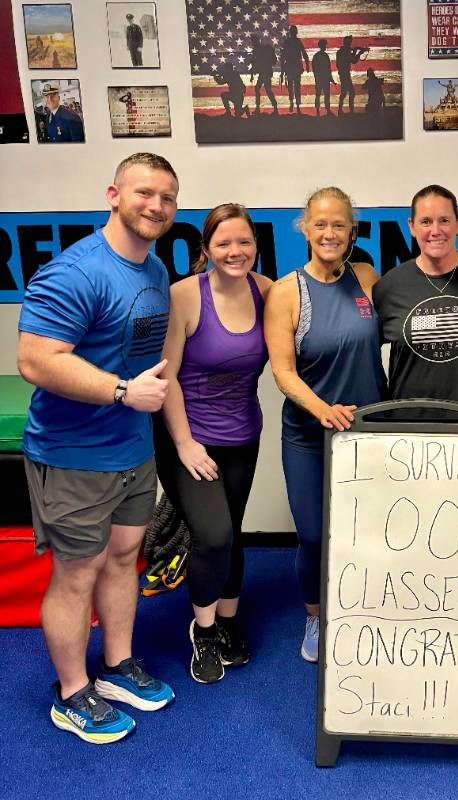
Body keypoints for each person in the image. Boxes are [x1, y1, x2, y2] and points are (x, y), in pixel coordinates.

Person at [17, 153, 179, 744]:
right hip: (73, 454)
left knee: (123, 557)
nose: (156, 206)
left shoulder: (154, 267)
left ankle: (116, 665)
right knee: (76, 574)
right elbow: (36, 360)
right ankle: (71, 692)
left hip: (131, 449)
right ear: (114, 195)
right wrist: (121, 392)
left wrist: (137, 402)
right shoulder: (76, 272)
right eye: (144, 193)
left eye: (167, 197)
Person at [265, 187, 385, 663]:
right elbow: (282, 371)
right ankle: (316, 616)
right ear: (305, 229)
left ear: (351, 231)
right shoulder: (286, 291)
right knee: (315, 535)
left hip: (369, 434)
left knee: (370, 531)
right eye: (320, 224)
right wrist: (322, 409)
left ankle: (365, 608)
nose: (330, 233)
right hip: (310, 436)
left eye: (339, 224)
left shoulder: (366, 277)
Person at [154, 204, 271, 684]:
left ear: (256, 246)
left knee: (232, 534)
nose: (235, 251)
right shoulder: (184, 295)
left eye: (244, 241)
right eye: (223, 243)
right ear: (206, 249)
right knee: (215, 535)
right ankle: (202, 631)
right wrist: (184, 443)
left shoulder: (268, 291)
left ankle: (226, 621)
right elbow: (167, 376)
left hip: (243, 436)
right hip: (188, 437)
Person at [372, 184, 458, 408]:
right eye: (426, 222)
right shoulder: (389, 287)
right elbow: (364, 355)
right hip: (406, 423)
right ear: (412, 226)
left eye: (444, 220)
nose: (435, 230)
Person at [280, 25, 309, 114]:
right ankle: (295, 104)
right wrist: (307, 64)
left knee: (293, 86)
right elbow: (304, 53)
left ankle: (294, 103)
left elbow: (283, 56)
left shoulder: (289, 42)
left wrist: (282, 70)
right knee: (295, 86)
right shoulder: (296, 41)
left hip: (292, 67)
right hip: (294, 67)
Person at [336, 36, 369, 115]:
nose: (350, 44)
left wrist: (355, 52)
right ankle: (348, 111)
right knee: (349, 92)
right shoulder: (344, 51)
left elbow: (350, 58)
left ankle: (342, 110)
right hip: (345, 74)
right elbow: (353, 60)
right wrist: (359, 53)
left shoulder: (341, 51)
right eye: (350, 42)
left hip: (344, 74)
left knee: (345, 92)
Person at [250, 37, 278, 115]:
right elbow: (255, 62)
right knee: (261, 89)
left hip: (265, 72)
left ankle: (274, 107)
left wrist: (253, 73)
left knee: (266, 90)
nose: (253, 44)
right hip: (264, 73)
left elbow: (256, 62)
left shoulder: (260, 50)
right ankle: (260, 108)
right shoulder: (258, 50)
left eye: (253, 42)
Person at [311, 39, 336, 116]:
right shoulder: (323, 56)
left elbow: (327, 68)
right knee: (323, 94)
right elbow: (327, 68)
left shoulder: (318, 56)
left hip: (322, 78)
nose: (325, 46)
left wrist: (330, 79)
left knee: (321, 94)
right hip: (323, 78)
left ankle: (321, 110)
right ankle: (321, 110)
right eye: (325, 45)